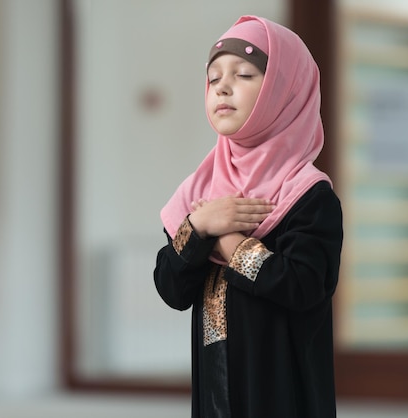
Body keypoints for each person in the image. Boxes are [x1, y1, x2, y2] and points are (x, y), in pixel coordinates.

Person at [153, 15, 343, 418]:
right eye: (213, 77)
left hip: (282, 396)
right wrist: (199, 226)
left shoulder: (308, 195)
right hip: (215, 395)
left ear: (283, 90)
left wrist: (230, 244)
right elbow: (171, 288)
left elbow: (304, 286)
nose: (222, 86)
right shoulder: (201, 194)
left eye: (243, 74)